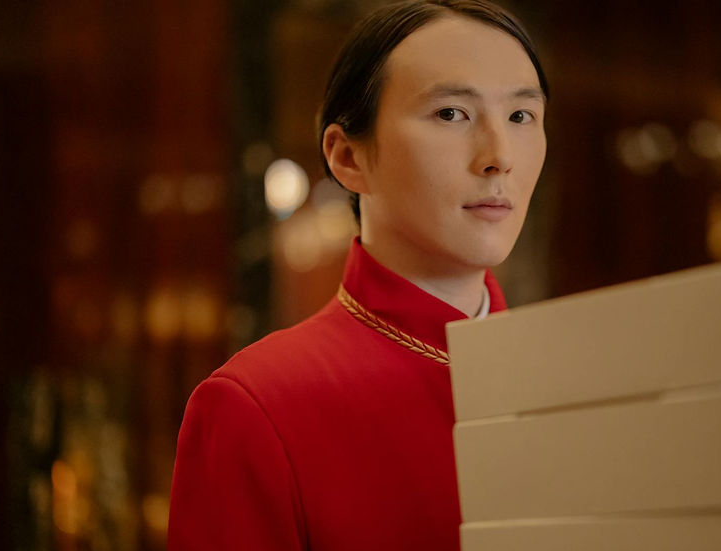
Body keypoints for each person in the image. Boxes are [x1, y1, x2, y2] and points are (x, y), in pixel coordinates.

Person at [168, 0, 548, 549]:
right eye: (451, 114)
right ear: (347, 157)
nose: (499, 157)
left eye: (521, 117)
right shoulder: (255, 404)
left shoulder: (576, 385)